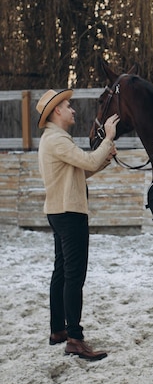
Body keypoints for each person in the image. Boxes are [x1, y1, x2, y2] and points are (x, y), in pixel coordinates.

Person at [37, 88, 119, 361]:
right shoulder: (57, 140)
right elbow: (87, 160)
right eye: (69, 106)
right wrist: (108, 137)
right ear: (57, 111)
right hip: (69, 213)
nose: (73, 110)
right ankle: (75, 338)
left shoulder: (55, 139)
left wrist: (105, 157)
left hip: (60, 211)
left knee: (61, 272)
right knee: (74, 276)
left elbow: (83, 169)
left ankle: (58, 330)